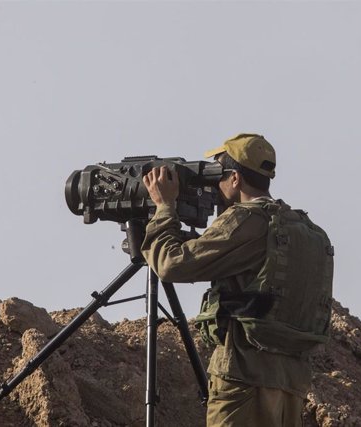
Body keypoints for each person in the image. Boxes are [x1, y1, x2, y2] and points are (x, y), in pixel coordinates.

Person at [141, 134, 334, 427]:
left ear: (234, 179)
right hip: (288, 384)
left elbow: (171, 264)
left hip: (243, 376)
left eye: (217, 173)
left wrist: (164, 207)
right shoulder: (299, 227)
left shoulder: (245, 221)